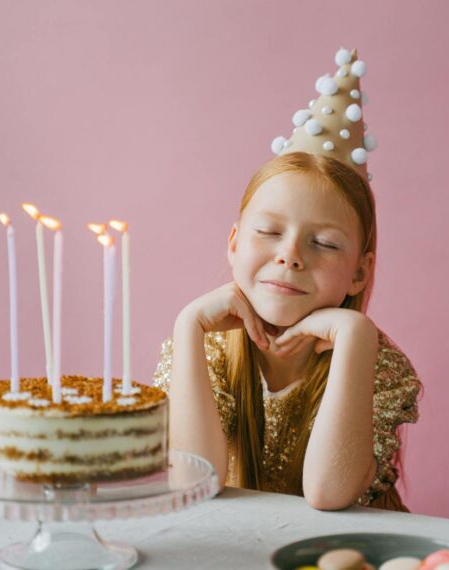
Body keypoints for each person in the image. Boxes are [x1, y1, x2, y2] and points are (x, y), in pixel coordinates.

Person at [153, 48, 422, 512]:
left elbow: (329, 494)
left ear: (359, 270)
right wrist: (187, 325)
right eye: (269, 232)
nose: (291, 256)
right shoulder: (212, 349)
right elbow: (195, 481)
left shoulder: (380, 366)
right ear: (235, 242)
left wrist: (356, 335)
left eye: (326, 243)